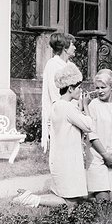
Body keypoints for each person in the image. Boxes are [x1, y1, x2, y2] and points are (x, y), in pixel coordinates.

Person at [13, 63, 92, 211]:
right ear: (70, 88)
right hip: (68, 160)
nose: (81, 90)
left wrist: (79, 108)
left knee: (74, 198)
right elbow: (88, 126)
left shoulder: (57, 105)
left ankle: (29, 197)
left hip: (60, 158)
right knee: (70, 202)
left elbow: (69, 126)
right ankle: (30, 199)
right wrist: (86, 106)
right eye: (79, 87)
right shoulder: (68, 107)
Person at [86, 70, 112, 201]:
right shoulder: (93, 105)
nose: (100, 91)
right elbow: (92, 135)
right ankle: (88, 197)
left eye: (103, 87)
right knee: (104, 202)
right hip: (98, 157)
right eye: (97, 88)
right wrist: (105, 156)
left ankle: (89, 197)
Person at [41, 32, 76, 153]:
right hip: (60, 112)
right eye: (72, 45)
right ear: (65, 49)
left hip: (73, 110)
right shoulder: (53, 65)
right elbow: (55, 92)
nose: (75, 47)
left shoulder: (70, 65)